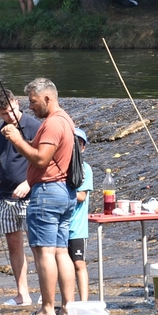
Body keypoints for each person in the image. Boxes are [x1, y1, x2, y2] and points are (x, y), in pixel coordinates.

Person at [0, 78, 78, 315]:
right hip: (65, 192)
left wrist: (16, 139)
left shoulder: (54, 123)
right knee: (61, 252)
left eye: (33, 102)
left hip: (47, 193)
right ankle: (68, 307)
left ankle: (47, 308)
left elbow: (41, 159)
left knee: (44, 252)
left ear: (47, 98)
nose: (30, 107)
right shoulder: (65, 119)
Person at [0, 88, 42, 306]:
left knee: (37, 245)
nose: (10, 117)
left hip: (30, 194)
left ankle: (45, 291)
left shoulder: (35, 127)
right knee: (14, 245)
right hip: (6, 196)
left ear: (17, 103)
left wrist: (28, 182)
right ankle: (22, 293)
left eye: (12, 111)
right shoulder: (1, 131)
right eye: (4, 114)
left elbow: (44, 161)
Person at [68, 128, 93, 301]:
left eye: (79, 143)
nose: (75, 147)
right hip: (59, 226)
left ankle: (84, 300)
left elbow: (82, 196)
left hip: (77, 227)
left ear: (83, 148)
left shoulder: (85, 169)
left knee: (78, 263)